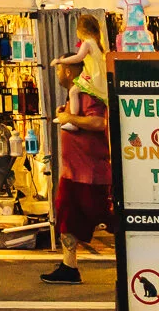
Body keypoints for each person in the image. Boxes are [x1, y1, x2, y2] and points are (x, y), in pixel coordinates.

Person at [42, 57, 111, 285]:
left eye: (60, 69)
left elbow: (99, 122)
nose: (58, 74)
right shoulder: (75, 94)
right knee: (67, 218)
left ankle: (143, 259)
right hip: (74, 173)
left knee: (108, 219)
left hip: (90, 174)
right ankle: (69, 267)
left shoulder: (88, 92)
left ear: (70, 71)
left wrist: (69, 117)